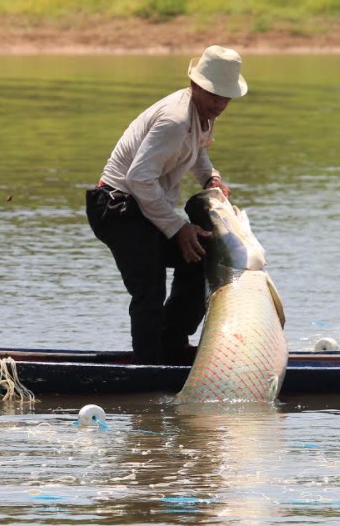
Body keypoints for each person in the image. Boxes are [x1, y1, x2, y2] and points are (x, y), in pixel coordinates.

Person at [85, 45, 248, 365]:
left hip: (143, 207)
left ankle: (172, 342)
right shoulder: (173, 119)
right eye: (214, 95)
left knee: (202, 255)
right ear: (196, 86)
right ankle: (149, 367)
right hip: (118, 208)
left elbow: (197, 151)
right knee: (149, 289)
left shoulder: (202, 115)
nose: (220, 104)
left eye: (225, 97)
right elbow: (139, 179)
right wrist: (178, 228)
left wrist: (209, 178)